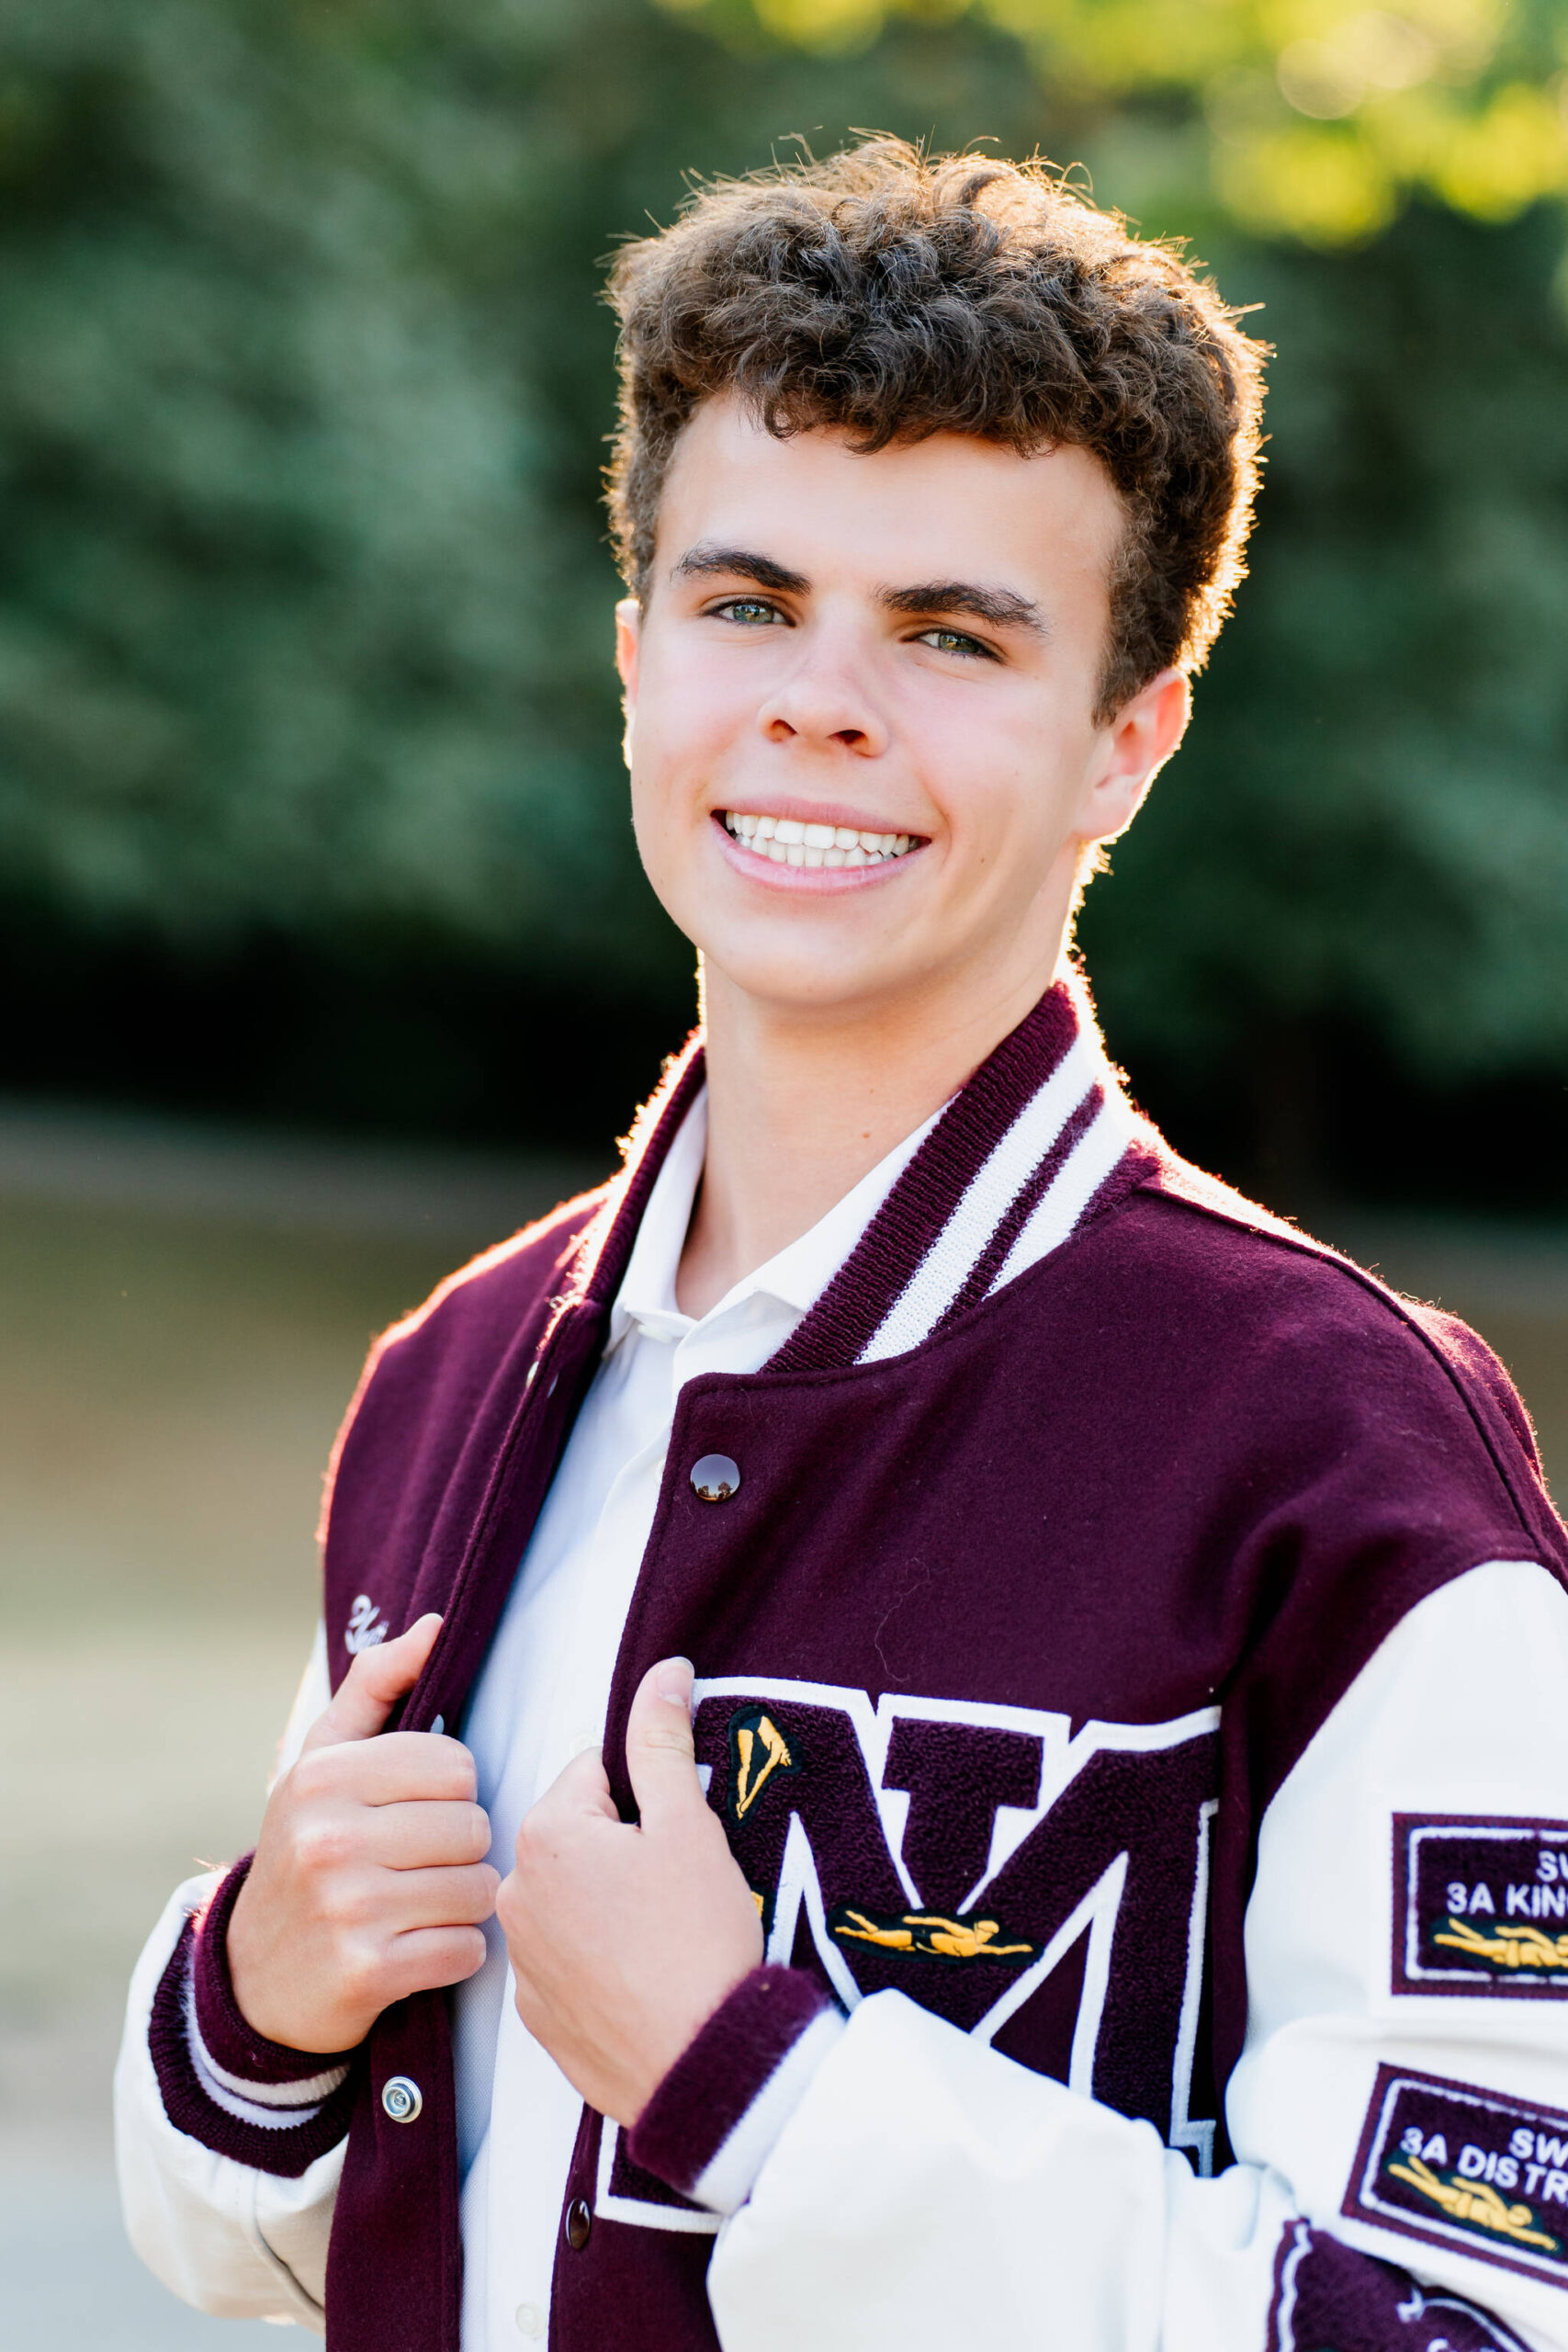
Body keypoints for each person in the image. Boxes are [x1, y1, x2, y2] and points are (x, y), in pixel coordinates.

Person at [116, 139, 1568, 2352]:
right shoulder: (458, 1372)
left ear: (1127, 742)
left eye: (952, 635)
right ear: (633, 661)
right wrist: (252, 1989)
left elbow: (1469, 2319)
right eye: (746, 600)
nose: (815, 699)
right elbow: (338, 2234)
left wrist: (756, 2093)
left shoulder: (1340, 1451)